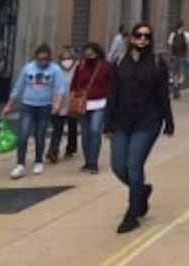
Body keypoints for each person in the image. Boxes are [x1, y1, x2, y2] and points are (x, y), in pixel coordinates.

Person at [105, 23, 175, 234]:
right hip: (122, 121)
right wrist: (108, 121)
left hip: (148, 121)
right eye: (139, 35)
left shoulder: (157, 63)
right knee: (119, 167)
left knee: (134, 165)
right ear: (132, 38)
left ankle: (132, 213)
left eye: (147, 36)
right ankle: (141, 191)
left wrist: (168, 120)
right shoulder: (119, 62)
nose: (143, 39)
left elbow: (163, 94)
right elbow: (113, 93)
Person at [1, 44, 66, 179]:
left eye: (46, 59)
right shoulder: (28, 68)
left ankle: (38, 161)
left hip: (44, 106)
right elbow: (18, 87)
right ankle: (20, 164)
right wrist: (9, 105)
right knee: (23, 135)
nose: (43, 62)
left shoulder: (55, 69)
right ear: (35, 58)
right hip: (28, 105)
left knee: (40, 135)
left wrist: (57, 104)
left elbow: (60, 88)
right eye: (40, 59)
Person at [72, 42, 112, 174]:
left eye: (92, 54)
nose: (89, 57)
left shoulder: (106, 66)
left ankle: (93, 162)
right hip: (83, 104)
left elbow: (112, 84)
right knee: (85, 133)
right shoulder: (81, 66)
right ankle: (88, 161)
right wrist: (74, 96)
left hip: (100, 103)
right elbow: (74, 84)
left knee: (95, 131)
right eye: (87, 54)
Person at [47, 47, 79, 164]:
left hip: (71, 101)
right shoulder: (55, 68)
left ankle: (71, 148)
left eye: (69, 56)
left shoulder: (77, 67)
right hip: (58, 101)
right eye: (64, 56)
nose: (66, 60)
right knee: (58, 128)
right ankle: (53, 151)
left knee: (71, 126)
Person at [166, 21, 189, 99]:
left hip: (174, 56)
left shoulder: (172, 35)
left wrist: (170, 55)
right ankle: (178, 87)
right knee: (181, 72)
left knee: (175, 72)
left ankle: (175, 87)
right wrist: (187, 55)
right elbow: (188, 45)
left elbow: (170, 46)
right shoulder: (186, 35)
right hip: (182, 56)